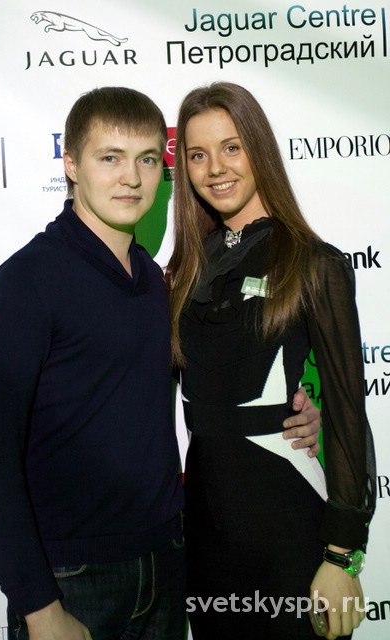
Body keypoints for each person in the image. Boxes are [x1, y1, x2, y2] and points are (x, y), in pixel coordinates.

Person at [0, 86, 320, 640]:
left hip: (168, 565)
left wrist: (294, 415)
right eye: (110, 158)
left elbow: (213, 383)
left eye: (147, 159)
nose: (131, 178)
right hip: (71, 581)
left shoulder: (157, 282)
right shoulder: (27, 282)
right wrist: (39, 607)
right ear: (71, 165)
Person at [166, 82, 376, 640]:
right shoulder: (183, 272)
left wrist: (341, 555)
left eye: (232, 147)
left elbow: (348, 414)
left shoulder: (315, 264)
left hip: (289, 526)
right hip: (205, 531)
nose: (216, 168)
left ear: (259, 148)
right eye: (197, 154)